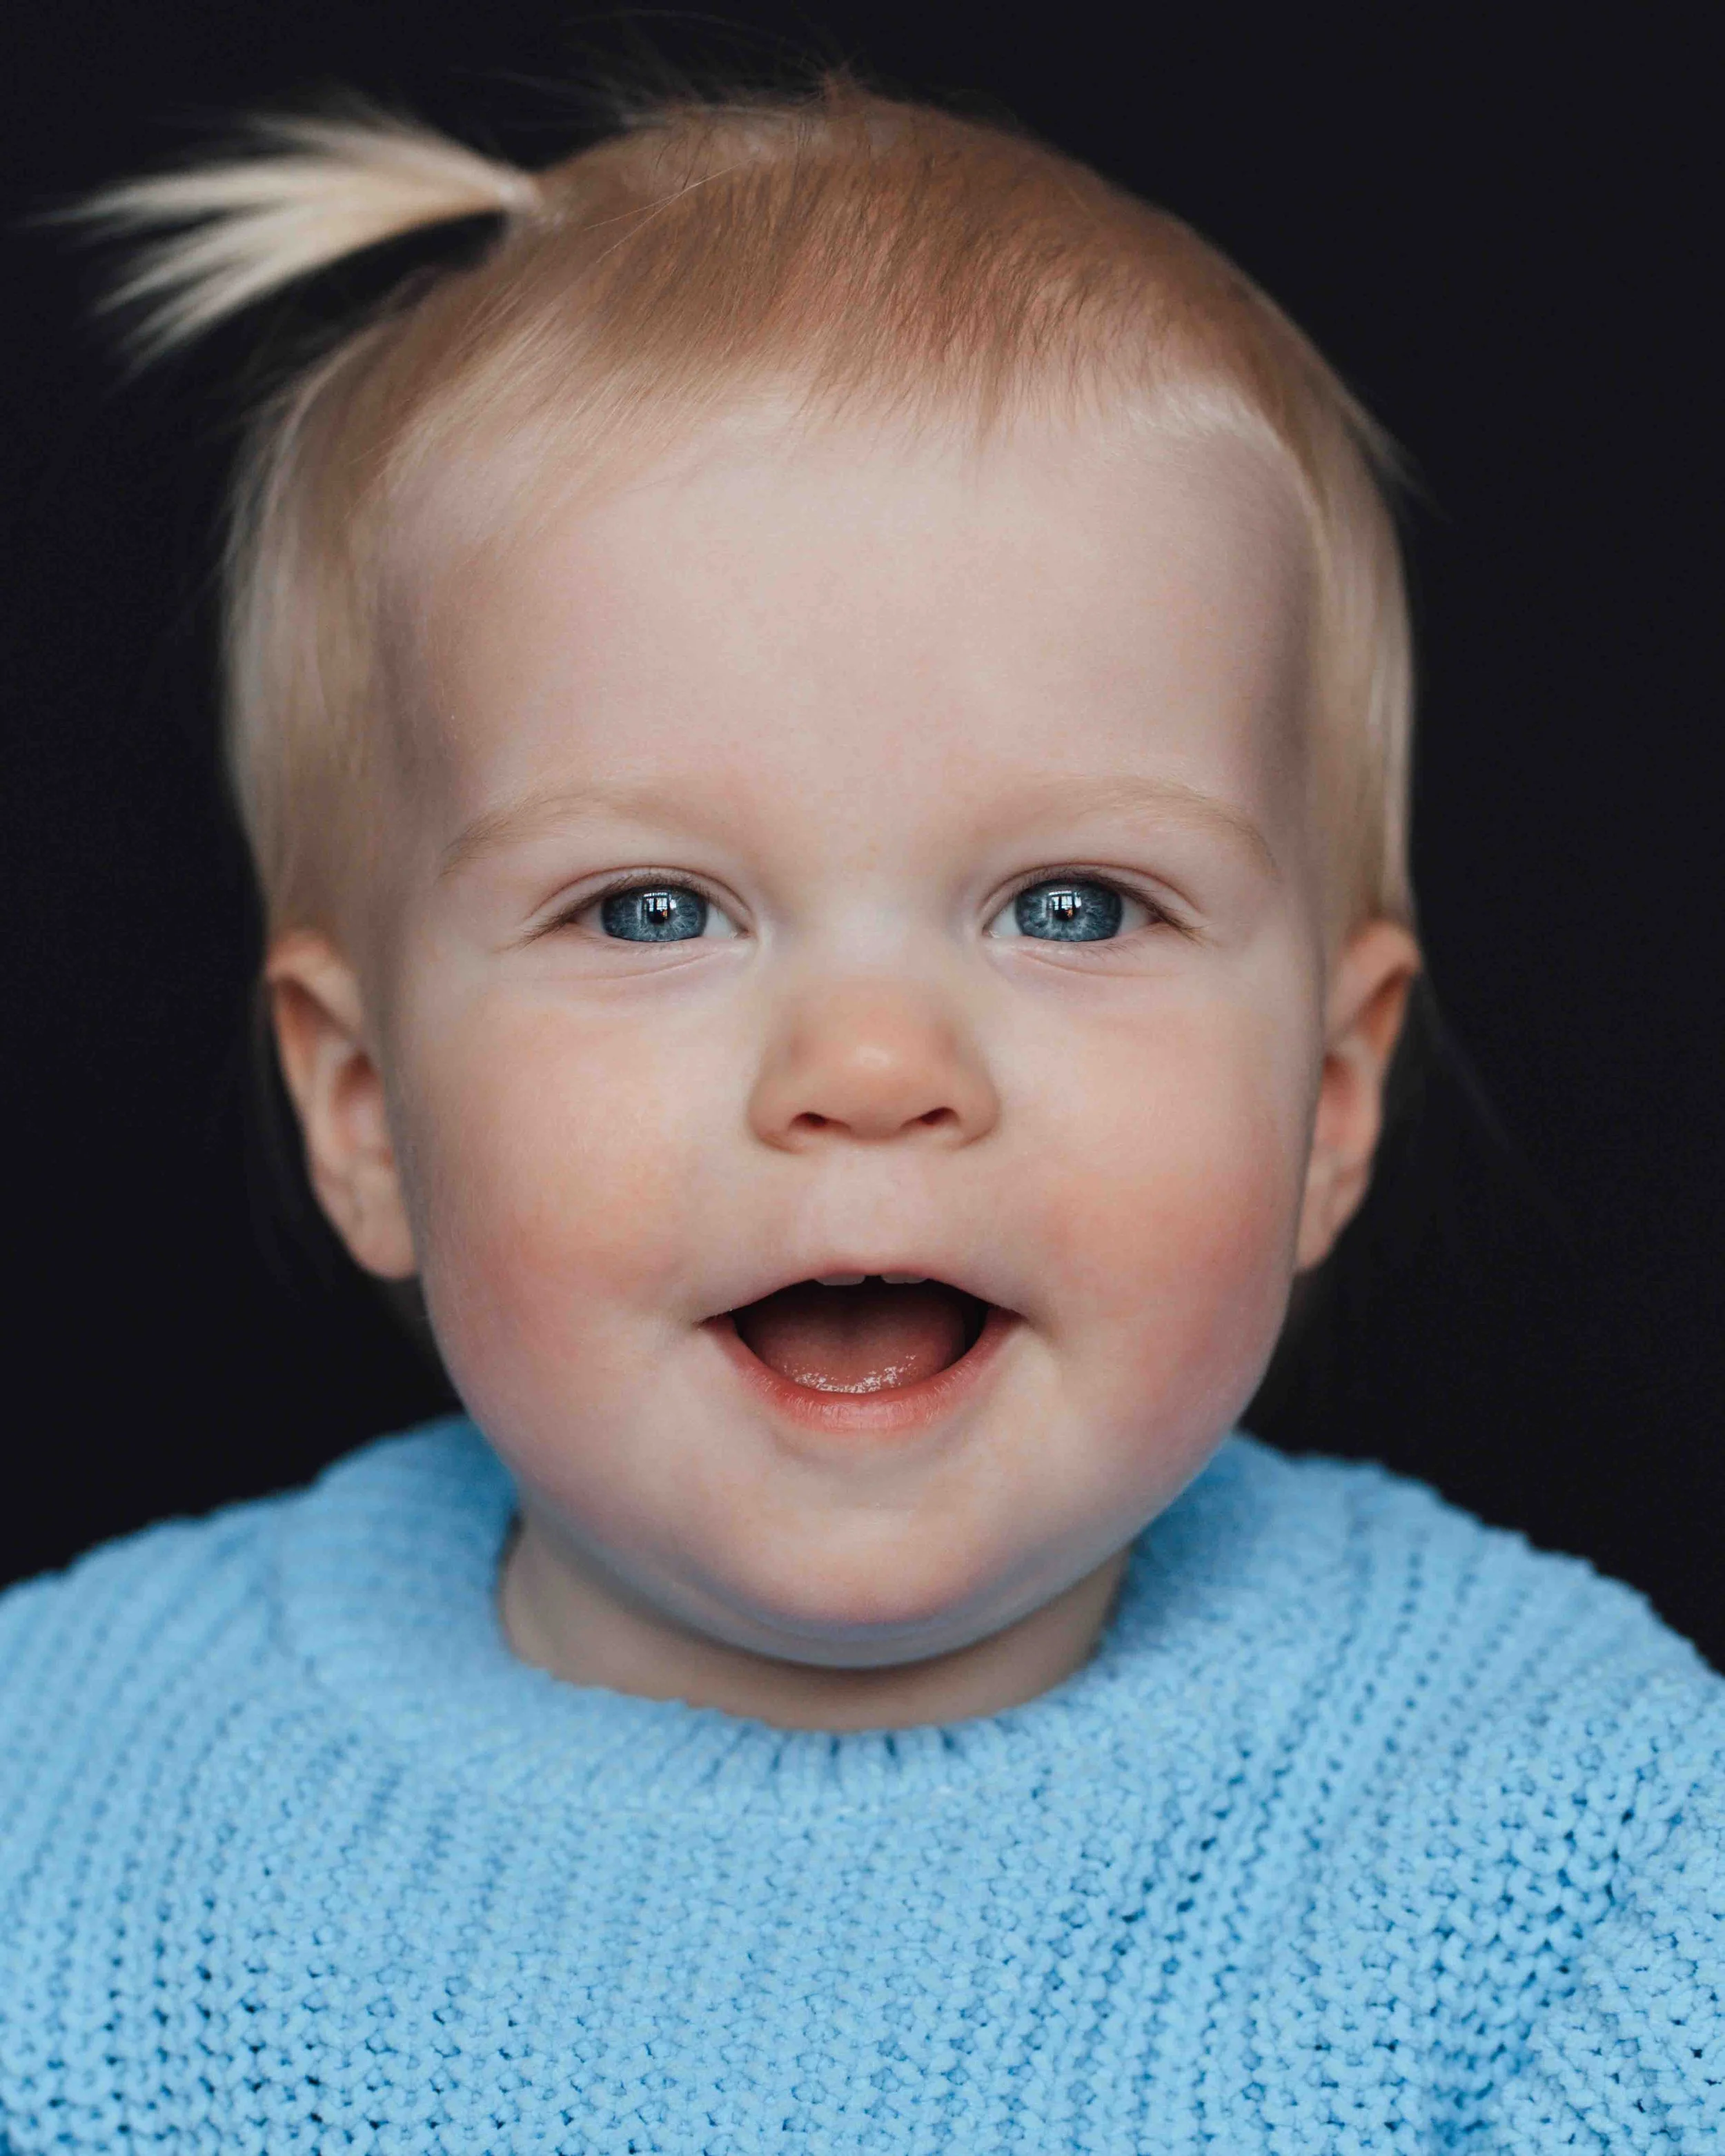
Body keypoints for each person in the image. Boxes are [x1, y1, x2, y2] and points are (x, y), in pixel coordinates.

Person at [1, 76, 1719, 2153]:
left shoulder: (1578, 1842)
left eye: (1070, 904)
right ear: (364, 1110)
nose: (872, 1068)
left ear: (1330, 1103)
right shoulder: (62, 1796)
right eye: (652, 906)